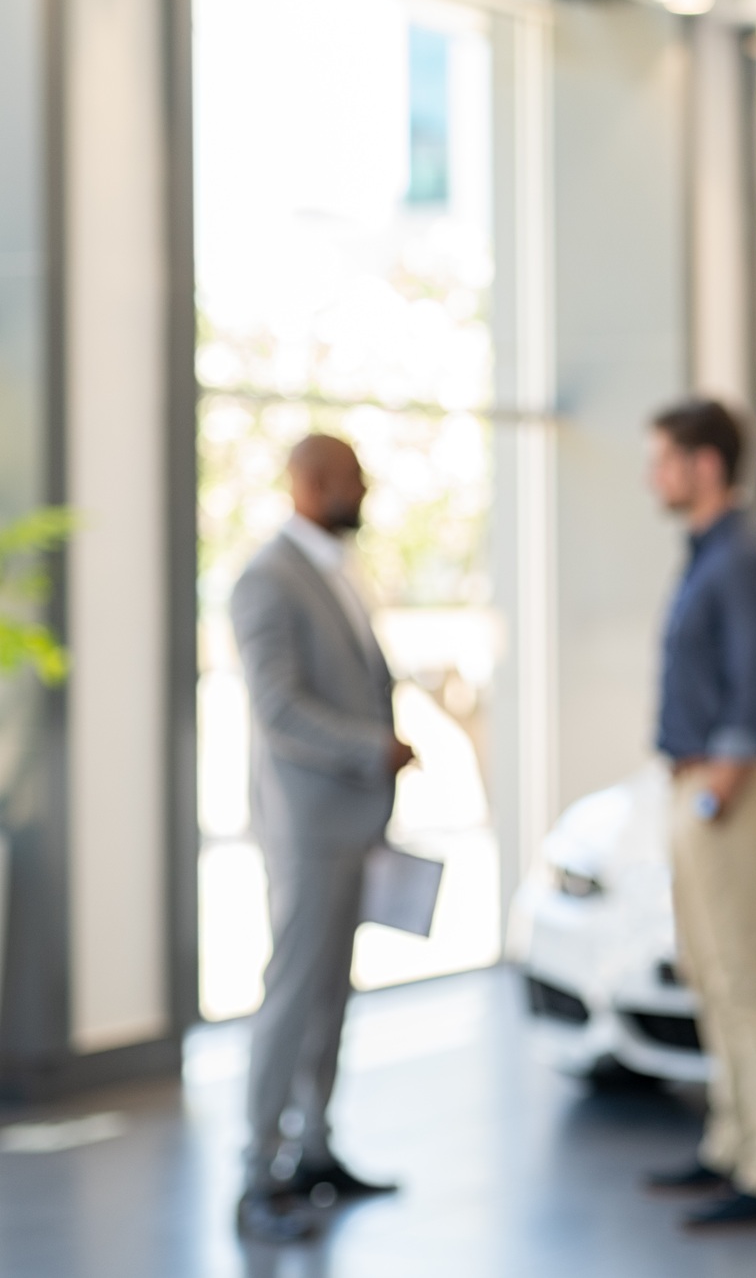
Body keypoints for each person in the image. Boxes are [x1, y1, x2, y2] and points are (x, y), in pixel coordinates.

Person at [231, 434, 411, 1243]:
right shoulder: (266, 580)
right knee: (293, 994)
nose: (363, 490)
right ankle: (258, 1172)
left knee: (333, 995)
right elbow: (280, 710)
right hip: (307, 825)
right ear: (308, 484)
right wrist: (368, 746)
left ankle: (314, 1152)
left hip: (353, 820)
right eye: (350, 479)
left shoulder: (333, 572)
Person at [637, 400, 756, 1231]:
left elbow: (751, 684)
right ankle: (731, 1142)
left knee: (744, 978)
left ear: (704, 465)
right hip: (698, 786)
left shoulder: (738, 557)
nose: (651, 475)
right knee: (711, 974)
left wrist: (715, 794)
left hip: (721, 789)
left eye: (663, 459)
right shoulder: (708, 551)